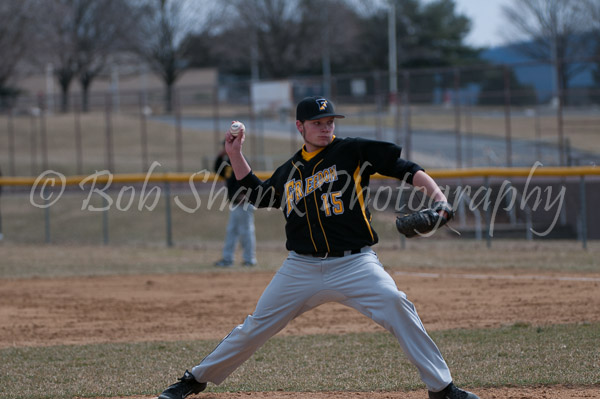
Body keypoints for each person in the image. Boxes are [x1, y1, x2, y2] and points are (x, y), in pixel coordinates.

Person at [158, 96, 479, 399]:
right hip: (301, 268)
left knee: (396, 304)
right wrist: (235, 155)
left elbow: (404, 167)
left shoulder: (352, 151)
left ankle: (442, 388)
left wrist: (439, 200)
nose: (326, 128)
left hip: (355, 264)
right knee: (254, 327)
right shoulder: (290, 170)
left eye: (329, 122)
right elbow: (259, 195)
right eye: (318, 123)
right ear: (300, 127)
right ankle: (193, 381)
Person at [213, 141, 257, 267]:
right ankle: (227, 259)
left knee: (246, 231)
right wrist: (219, 156)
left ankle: (249, 259)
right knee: (232, 230)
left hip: (244, 201)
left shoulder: (241, 160)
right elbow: (219, 171)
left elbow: (248, 178)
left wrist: (245, 194)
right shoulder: (228, 162)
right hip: (235, 203)